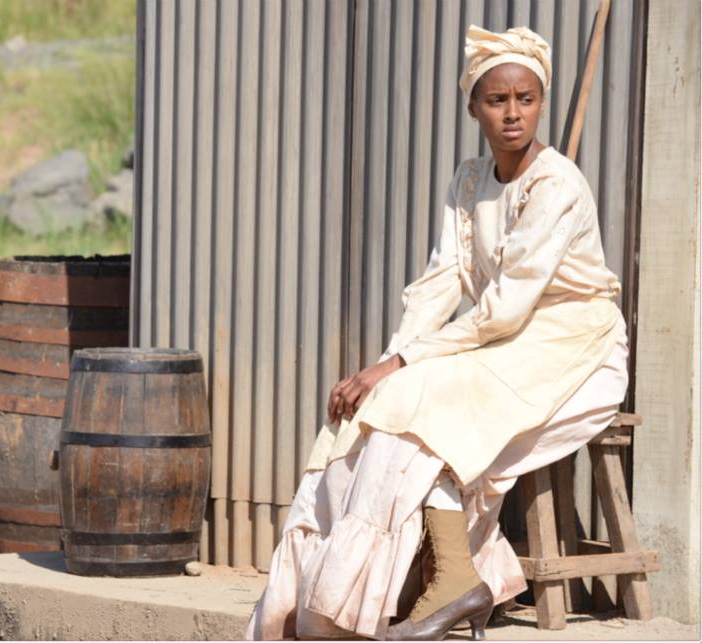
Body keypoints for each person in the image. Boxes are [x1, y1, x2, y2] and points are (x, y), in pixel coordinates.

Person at [245, 24, 629, 641]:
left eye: (525, 99)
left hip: (574, 343)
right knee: (388, 402)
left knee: (428, 402)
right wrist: (389, 362)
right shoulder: (469, 181)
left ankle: (444, 577)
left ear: (541, 103)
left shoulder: (558, 184)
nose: (512, 113)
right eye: (497, 100)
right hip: (505, 340)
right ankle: (352, 599)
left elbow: (504, 309)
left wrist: (400, 366)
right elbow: (438, 285)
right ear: (473, 106)